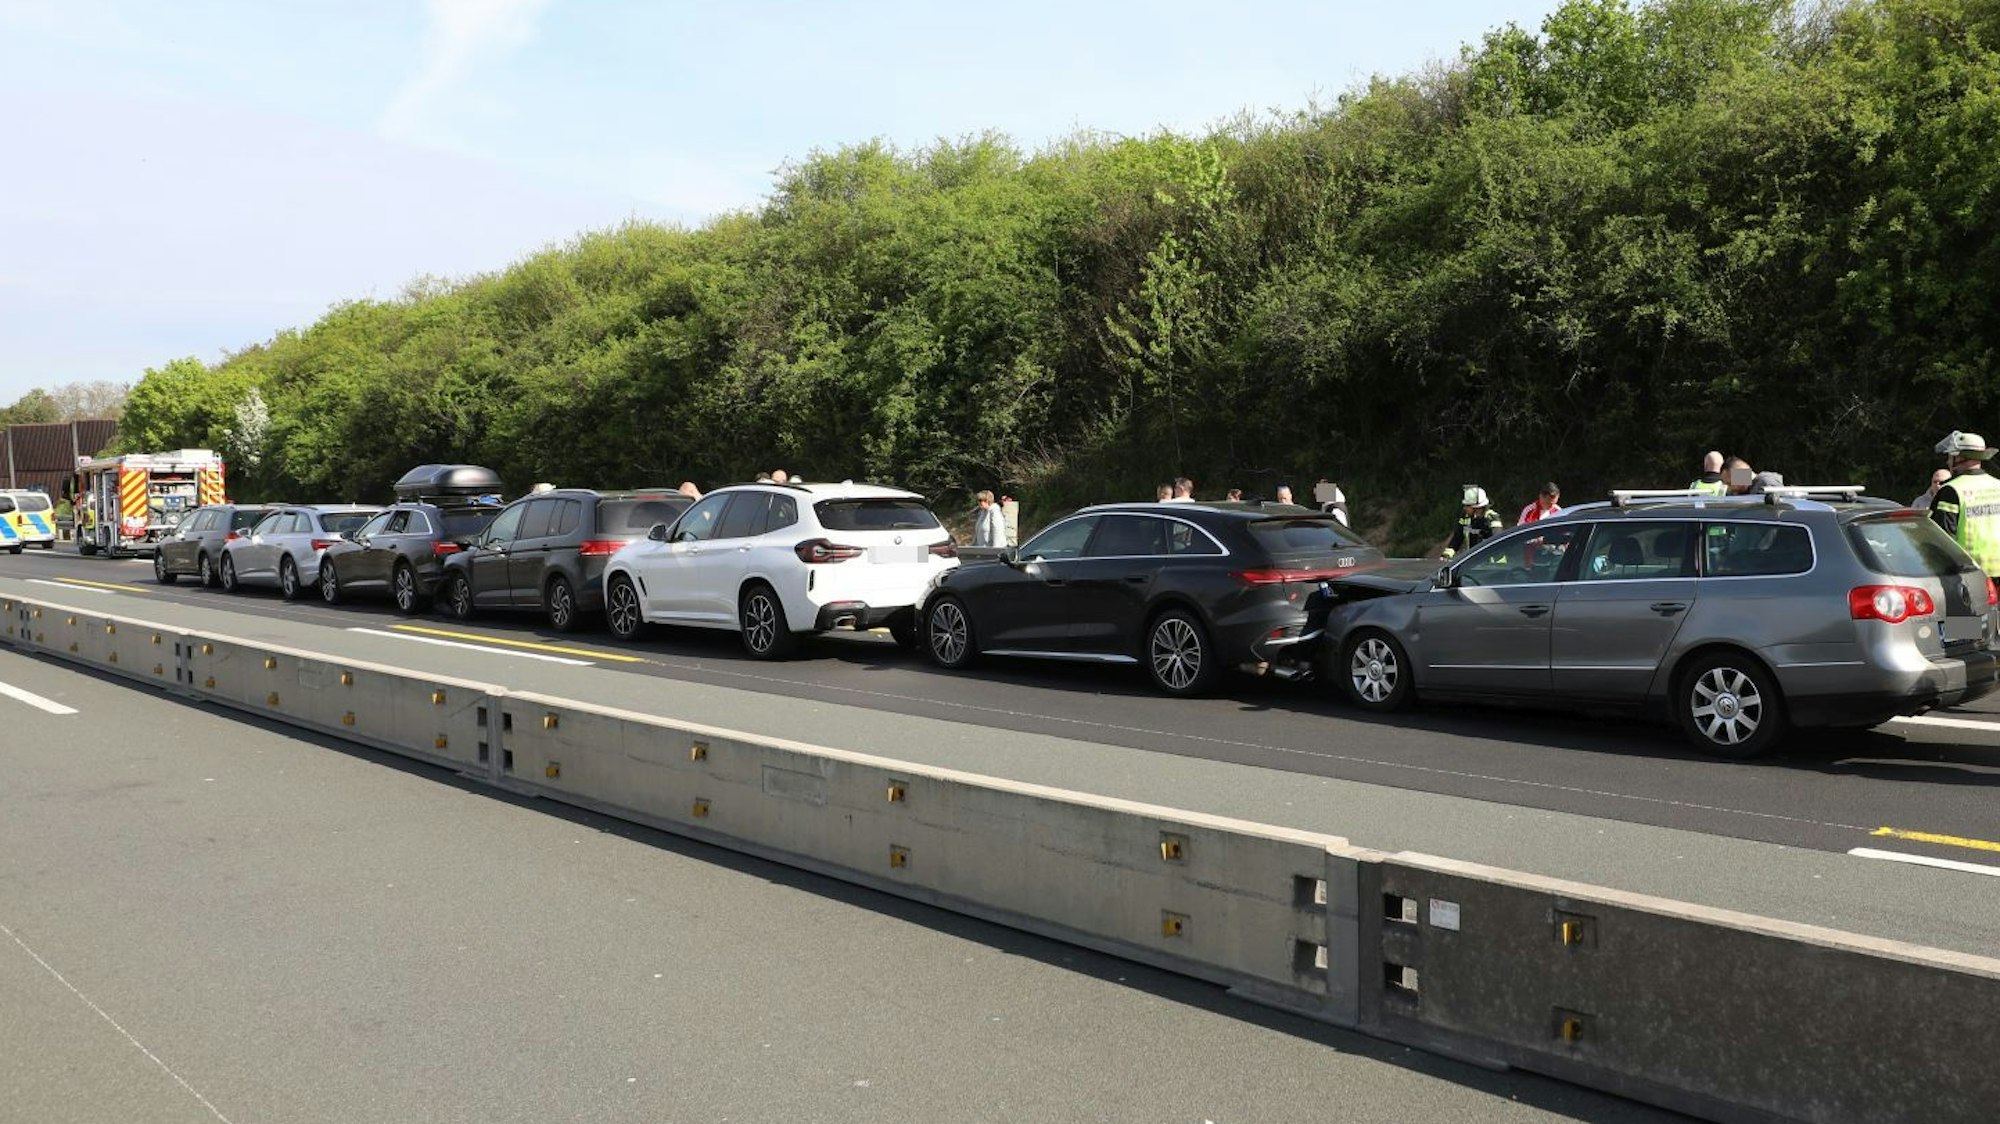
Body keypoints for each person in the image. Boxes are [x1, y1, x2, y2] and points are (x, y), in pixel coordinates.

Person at [1929, 430, 2000, 574]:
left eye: (1951, 456)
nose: (1948, 462)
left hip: (1971, 573)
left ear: (1959, 457)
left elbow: (1942, 537)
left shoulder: (1952, 490)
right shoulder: (1998, 485)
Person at [1442, 485, 1504, 558]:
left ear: (1477, 507)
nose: (1464, 508)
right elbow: (1456, 540)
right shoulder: (1465, 518)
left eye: (1468, 505)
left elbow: (1497, 542)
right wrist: (1446, 556)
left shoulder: (1492, 518)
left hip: (1494, 565)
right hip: (1474, 563)